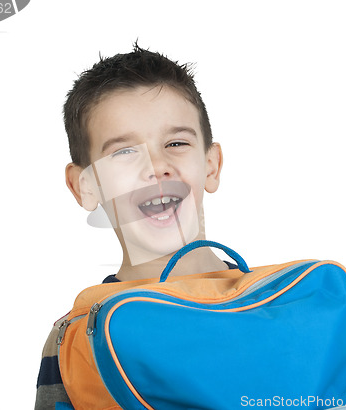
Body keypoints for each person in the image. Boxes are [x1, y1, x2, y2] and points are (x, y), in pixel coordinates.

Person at [35, 44, 238, 409]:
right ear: (85, 186)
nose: (156, 166)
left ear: (211, 165)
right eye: (123, 152)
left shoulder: (285, 302)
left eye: (176, 143)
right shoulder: (77, 337)